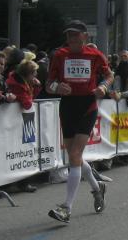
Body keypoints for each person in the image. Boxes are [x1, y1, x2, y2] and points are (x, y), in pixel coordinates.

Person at [46, 20, 116, 223]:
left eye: (76, 34)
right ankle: (97, 187)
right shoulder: (60, 55)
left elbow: (109, 75)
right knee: (73, 156)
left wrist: (103, 86)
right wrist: (57, 87)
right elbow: (48, 84)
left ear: (85, 36)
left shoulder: (95, 55)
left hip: (87, 106)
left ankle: (66, 207)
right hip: (68, 106)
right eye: (69, 35)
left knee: (75, 154)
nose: (72, 38)